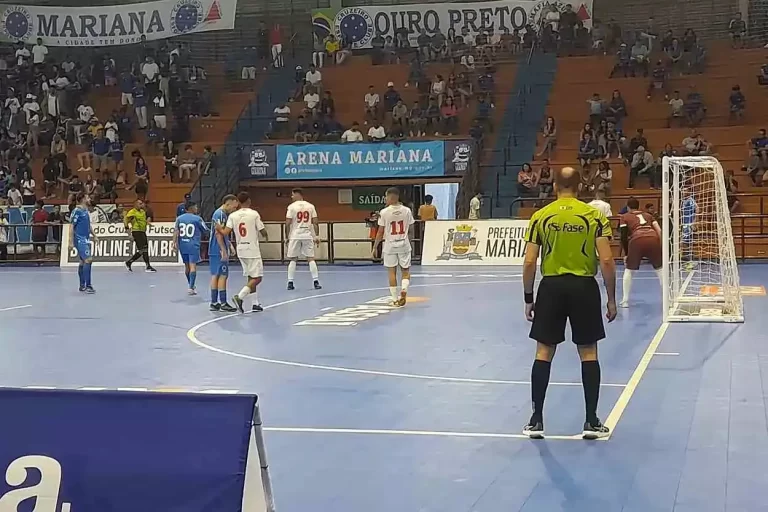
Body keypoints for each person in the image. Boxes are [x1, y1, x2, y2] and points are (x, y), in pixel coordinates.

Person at [521, 166, 616, 440]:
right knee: (588, 352)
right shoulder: (595, 216)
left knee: (543, 351)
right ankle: (591, 421)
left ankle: (536, 420)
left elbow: (529, 261)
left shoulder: (540, 216)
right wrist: (611, 298)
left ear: (554, 187)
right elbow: (606, 259)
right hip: (584, 287)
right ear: (580, 187)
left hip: (551, 287)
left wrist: (529, 297)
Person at [222, 191, 269, 313]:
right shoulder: (254, 214)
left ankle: (255, 304)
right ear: (249, 201)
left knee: (250, 276)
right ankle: (240, 296)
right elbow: (262, 230)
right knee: (258, 278)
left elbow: (226, 231)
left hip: (241, 249)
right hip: (252, 249)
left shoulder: (233, 216)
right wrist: (266, 235)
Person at [372, 187, 415, 307]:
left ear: (390, 197)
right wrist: (408, 240)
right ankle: (404, 290)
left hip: (390, 245)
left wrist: (375, 247)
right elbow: (411, 228)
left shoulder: (384, 212)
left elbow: (380, 232)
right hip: (404, 244)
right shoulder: (407, 211)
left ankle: (395, 299)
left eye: (386, 197)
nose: (385, 199)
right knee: (405, 271)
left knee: (392, 272)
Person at [618, 197, 663, 307]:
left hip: (637, 240)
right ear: (638, 206)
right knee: (660, 269)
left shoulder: (624, 217)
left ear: (628, 207)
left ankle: (625, 300)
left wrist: (627, 254)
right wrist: (660, 246)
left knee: (629, 270)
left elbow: (623, 236)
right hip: (653, 238)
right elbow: (659, 230)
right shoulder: (648, 215)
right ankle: (668, 298)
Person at [285, 188, 322, 290]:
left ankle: (290, 282)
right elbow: (315, 222)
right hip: (307, 234)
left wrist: (287, 237)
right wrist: (317, 236)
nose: (291, 197)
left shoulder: (291, 207)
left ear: (297, 194)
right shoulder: (310, 206)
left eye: (293, 195)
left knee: (293, 259)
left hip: (295, 235)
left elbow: (287, 223)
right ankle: (316, 281)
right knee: (310, 258)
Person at [208, 194, 240, 312]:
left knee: (215, 275)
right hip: (218, 249)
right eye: (234, 207)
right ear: (228, 203)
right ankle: (223, 302)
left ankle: (214, 302)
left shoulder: (218, 214)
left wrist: (229, 245)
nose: (234, 210)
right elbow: (218, 233)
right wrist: (223, 250)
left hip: (214, 249)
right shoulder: (221, 215)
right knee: (222, 275)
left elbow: (221, 233)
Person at [174, 202, 209, 295]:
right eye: (195, 207)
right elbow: (205, 230)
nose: (197, 208)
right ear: (191, 208)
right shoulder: (197, 219)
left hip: (183, 244)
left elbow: (176, 231)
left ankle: (191, 285)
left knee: (187, 266)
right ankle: (191, 287)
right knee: (193, 266)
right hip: (193, 244)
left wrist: (174, 242)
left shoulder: (179, 218)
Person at [69, 192, 97, 293]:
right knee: (88, 260)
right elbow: (71, 226)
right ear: (83, 199)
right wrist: (70, 242)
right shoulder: (76, 211)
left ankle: (82, 285)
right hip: (79, 239)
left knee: (82, 261)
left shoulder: (85, 211)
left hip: (86, 239)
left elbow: (88, 225)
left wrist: (94, 235)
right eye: (88, 197)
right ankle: (88, 286)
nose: (89, 199)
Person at [124, 199, 156, 272]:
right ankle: (131, 262)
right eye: (140, 204)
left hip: (142, 231)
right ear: (135, 204)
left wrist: (148, 223)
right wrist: (129, 234)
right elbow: (126, 222)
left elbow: (143, 220)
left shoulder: (142, 212)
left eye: (142, 203)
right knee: (142, 250)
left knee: (145, 249)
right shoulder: (132, 212)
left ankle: (146, 265)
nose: (141, 205)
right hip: (136, 231)